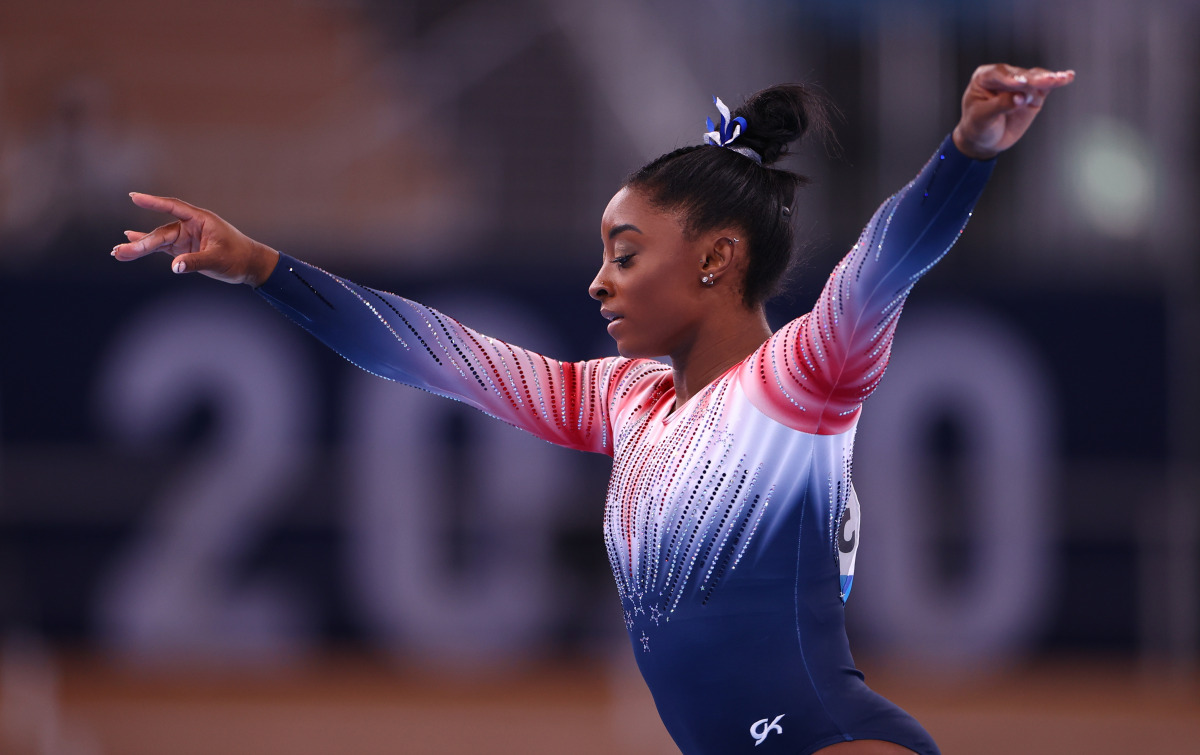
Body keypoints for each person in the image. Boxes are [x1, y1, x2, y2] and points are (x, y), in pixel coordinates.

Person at [111, 63, 1073, 755]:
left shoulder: (803, 378)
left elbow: (890, 258)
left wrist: (967, 151)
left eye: (623, 253)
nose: (598, 284)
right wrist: (261, 267)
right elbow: (426, 352)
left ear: (714, 259)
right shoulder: (622, 400)